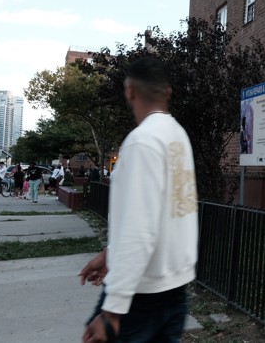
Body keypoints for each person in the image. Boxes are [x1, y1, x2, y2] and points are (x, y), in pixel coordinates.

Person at [79, 56, 198, 343]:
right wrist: (111, 254)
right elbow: (161, 214)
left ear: (130, 91)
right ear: (167, 92)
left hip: (138, 298)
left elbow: (139, 230)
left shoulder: (141, 141)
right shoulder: (177, 136)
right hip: (175, 290)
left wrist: (112, 312)